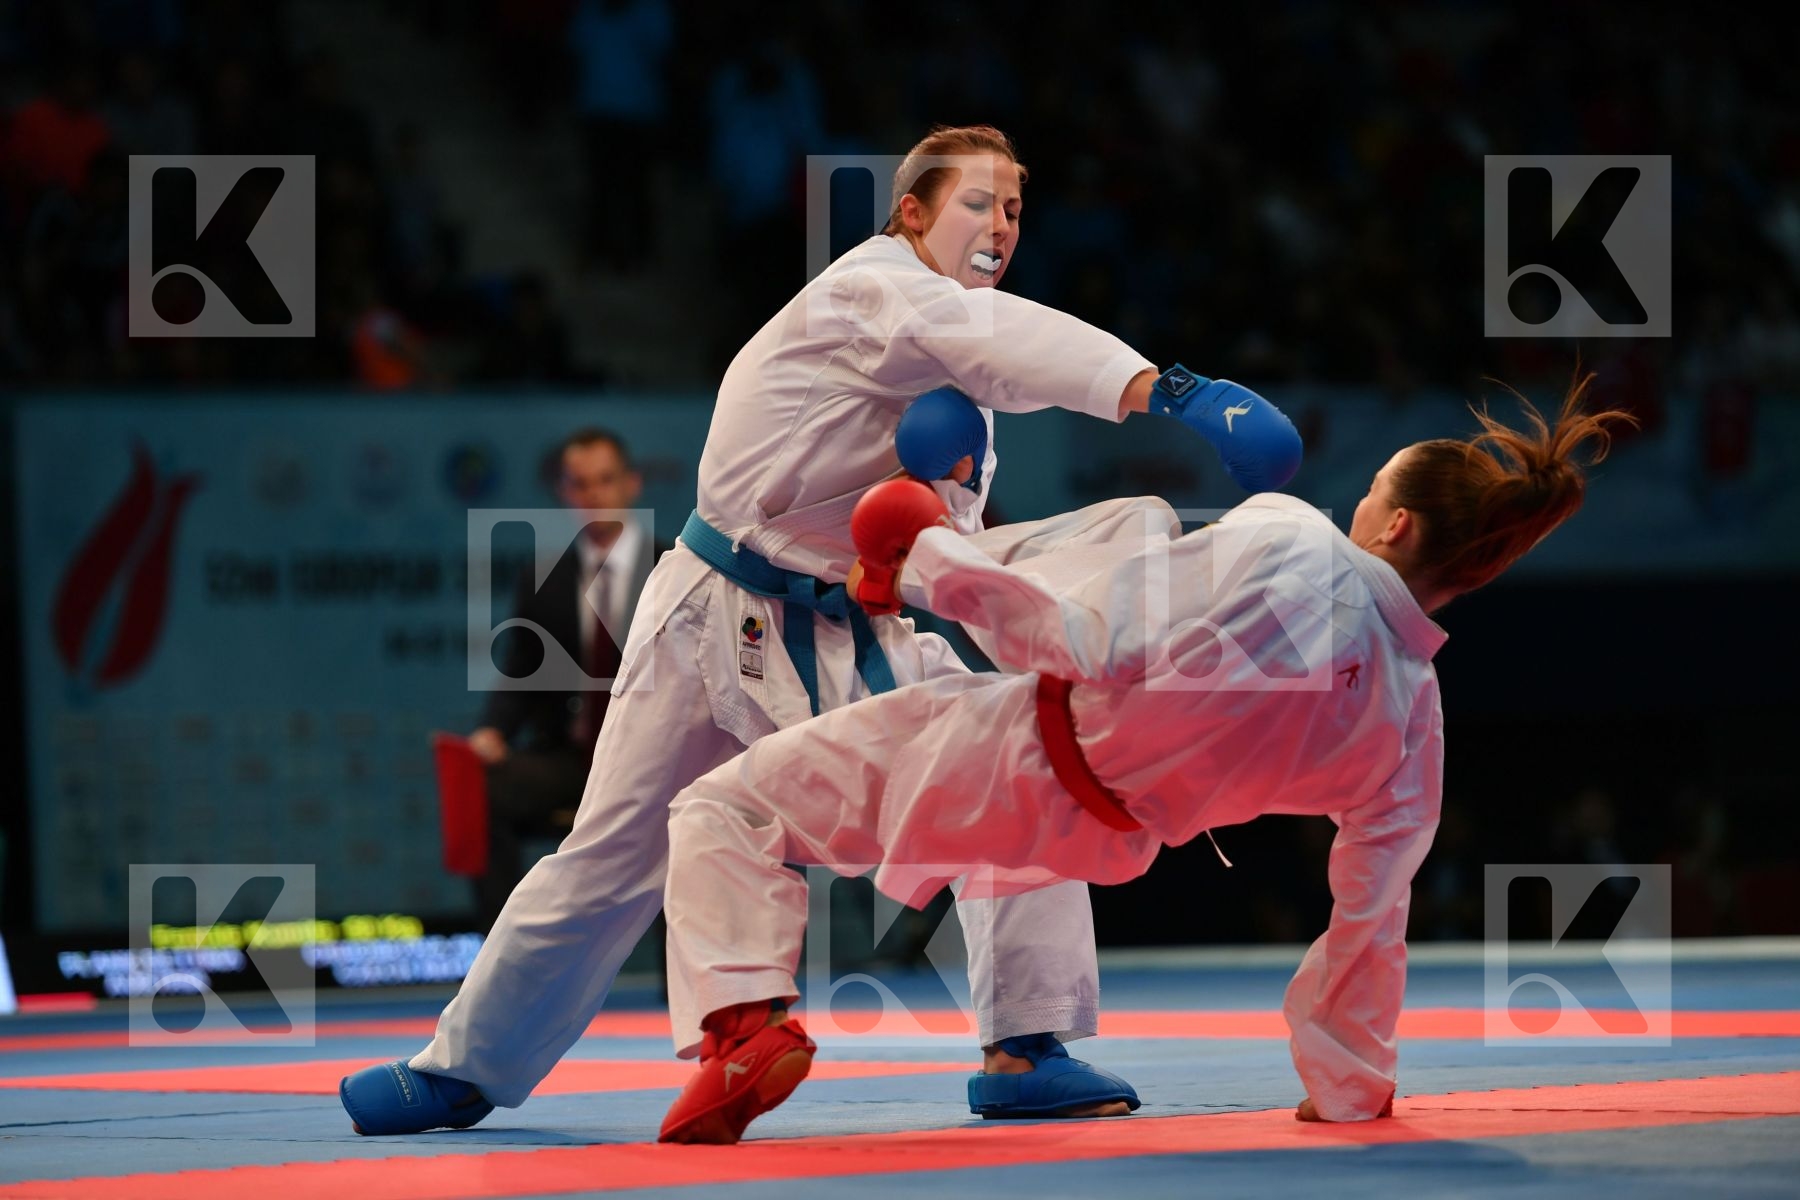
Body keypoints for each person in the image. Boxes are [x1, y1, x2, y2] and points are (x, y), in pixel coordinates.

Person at [339, 123, 1300, 1135]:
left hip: (835, 627)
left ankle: (1022, 1044)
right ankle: (465, 1068)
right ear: (913, 213)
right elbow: (1009, 340)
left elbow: (949, 480)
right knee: (609, 850)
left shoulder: (958, 361)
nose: (1002, 224)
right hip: (706, 606)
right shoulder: (871, 286)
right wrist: (1173, 388)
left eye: (1016, 208)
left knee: (1014, 760)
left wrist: (953, 502)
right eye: (979, 201)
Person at [654, 380, 1630, 1144]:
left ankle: (744, 1021)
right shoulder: (1413, 717)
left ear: (1398, 526)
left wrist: (931, 563)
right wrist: (1350, 1087)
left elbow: (1098, 641)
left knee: (724, 810)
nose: (1359, 503)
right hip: (1111, 836)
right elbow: (1371, 912)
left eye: (1372, 493)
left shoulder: (1295, 545)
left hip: (1013, 751)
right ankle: (1024, 1056)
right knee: (1133, 554)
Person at [466, 428, 663, 929]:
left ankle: (684, 991)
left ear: (632, 484)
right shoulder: (544, 576)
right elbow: (521, 671)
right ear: (565, 493)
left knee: (696, 804)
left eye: (605, 480)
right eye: (580, 484)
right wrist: (493, 732)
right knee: (481, 789)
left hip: (654, 763)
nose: (594, 494)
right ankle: (507, 958)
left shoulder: (673, 569)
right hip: (571, 759)